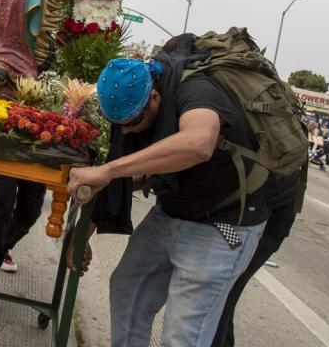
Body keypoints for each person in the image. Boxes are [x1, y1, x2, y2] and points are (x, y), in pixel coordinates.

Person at [66, 55, 270, 347]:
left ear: (154, 97)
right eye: (118, 125)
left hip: (222, 224)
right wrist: (81, 233)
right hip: (174, 209)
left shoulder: (197, 90)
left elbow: (199, 143)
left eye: (133, 122)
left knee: (182, 336)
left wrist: (109, 170)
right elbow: (130, 175)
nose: (126, 132)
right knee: (128, 289)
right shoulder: (136, 111)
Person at [212, 169, 302, 347]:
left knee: (219, 296)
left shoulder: (258, 151)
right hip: (256, 220)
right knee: (223, 295)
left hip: (257, 225)